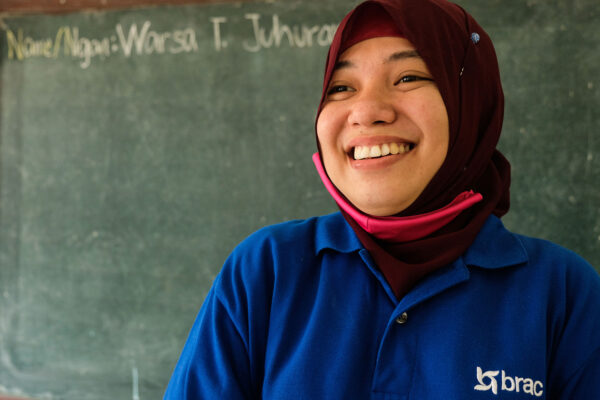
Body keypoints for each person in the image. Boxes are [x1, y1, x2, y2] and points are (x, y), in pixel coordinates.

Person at [164, 0, 600, 398]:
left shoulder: (564, 293)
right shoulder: (266, 272)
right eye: (341, 87)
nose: (368, 109)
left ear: (470, 106)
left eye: (409, 77)